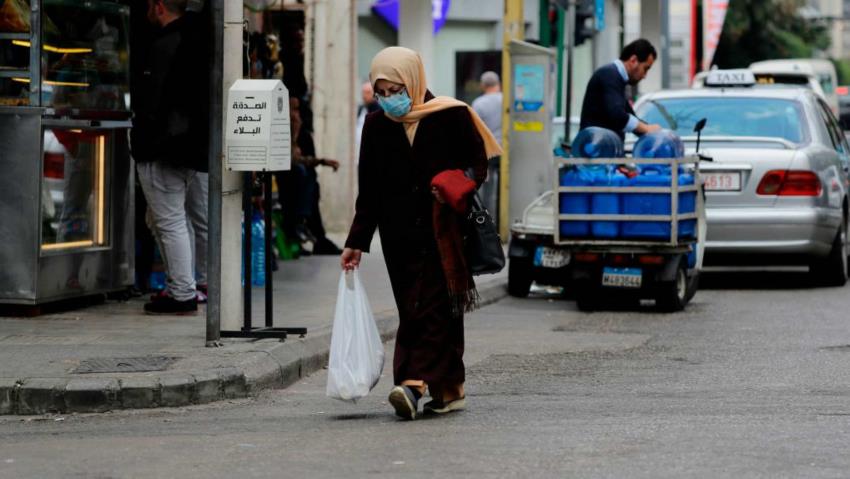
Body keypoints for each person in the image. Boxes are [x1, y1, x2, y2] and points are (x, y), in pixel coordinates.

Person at [340, 46, 502, 420]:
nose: (387, 99)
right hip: (398, 236)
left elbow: (477, 165)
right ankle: (449, 388)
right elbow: (370, 190)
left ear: (412, 80)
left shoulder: (451, 114)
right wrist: (356, 242)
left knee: (427, 308)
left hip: (443, 230)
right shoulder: (378, 125)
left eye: (394, 90)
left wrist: (453, 184)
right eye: (380, 92)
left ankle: (412, 383)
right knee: (422, 309)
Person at [131, 0, 208, 315]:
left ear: (159, 6)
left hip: (163, 147)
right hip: (187, 148)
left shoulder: (165, 44)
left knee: (170, 220)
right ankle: (181, 285)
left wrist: (146, 137)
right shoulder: (197, 40)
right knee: (168, 219)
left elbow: (153, 100)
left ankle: (181, 292)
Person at [579, 38, 662, 140]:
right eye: (645, 68)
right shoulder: (609, 75)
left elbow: (629, 117)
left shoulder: (617, 79)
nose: (645, 75)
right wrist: (646, 128)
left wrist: (650, 130)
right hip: (595, 149)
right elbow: (618, 116)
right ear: (633, 60)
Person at [471, 71, 503, 221]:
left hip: (488, 152)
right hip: (506, 152)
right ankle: (504, 219)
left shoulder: (478, 103)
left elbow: (475, 130)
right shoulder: (506, 100)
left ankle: (489, 220)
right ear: (499, 84)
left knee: (487, 189)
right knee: (504, 188)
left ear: (483, 85)